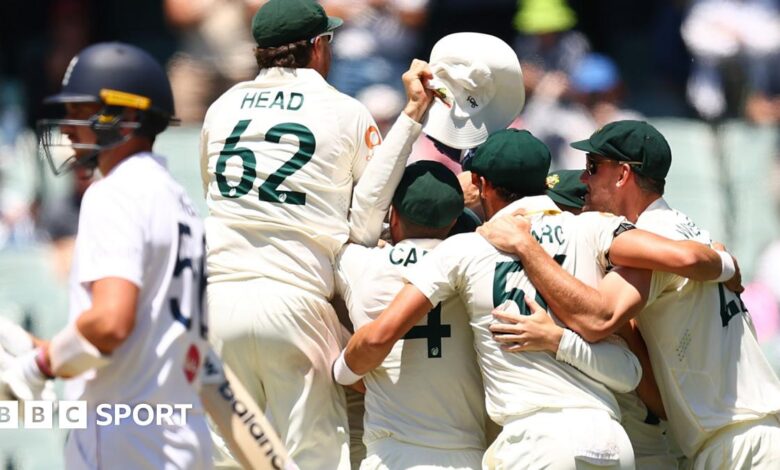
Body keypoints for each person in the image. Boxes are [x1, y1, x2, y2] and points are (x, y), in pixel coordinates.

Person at [333, 129, 731, 469]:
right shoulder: (593, 228)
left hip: (534, 442)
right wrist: (723, 261)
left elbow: (381, 334)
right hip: (610, 441)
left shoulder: (466, 250)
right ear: (545, 181)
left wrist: (341, 372)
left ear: (483, 186)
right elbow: (630, 368)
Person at [199, 0, 435, 467]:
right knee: (312, 460)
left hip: (217, 301)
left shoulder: (221, 107)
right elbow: (365, 222)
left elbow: (214, 194)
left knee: (226, 458)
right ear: (318, 47)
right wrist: (411, 117)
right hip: (294, 299)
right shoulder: (344, 110)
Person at [480, 120, 780, 468]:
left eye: (593, 168)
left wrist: (526, 247)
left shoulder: (653, 238)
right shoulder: (686, 228)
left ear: (622, 175)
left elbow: (598, 318)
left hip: (736, 445)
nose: (583, 180)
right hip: (746, 435)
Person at [1, 42, 212, 469]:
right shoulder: (178, 199)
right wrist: (46, 352)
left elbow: (113, 323)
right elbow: (136, 344)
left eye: (81, 112)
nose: (66, 128)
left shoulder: (112, 192)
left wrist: (40, 364)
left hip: (123, 436)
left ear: (127, 116)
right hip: (181, 430)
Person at [335, 161, 489, 469]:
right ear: (454, 220)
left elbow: (345, 231)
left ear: (393, 216)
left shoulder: (359, 264)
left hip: (392, 454)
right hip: (466, 453)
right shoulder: (475, 265)